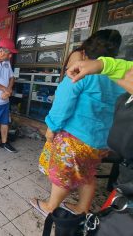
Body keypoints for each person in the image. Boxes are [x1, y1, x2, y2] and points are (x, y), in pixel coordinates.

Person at [30, 29, 125, 216]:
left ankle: (49, 207)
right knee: (88, 174)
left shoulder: (80, 73)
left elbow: (62, 105)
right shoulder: (120, 79)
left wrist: (51, 127)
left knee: (61, 176)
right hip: (99, 142)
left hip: (74, 138)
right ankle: (82, 208)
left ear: (85, 52)